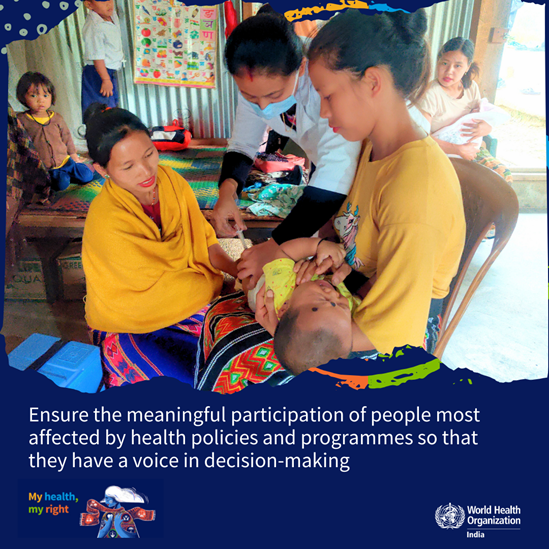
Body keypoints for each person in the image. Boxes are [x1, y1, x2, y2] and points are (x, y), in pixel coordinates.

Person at [254, 8, 466, 362]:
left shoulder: (415, 188)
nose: (323, 113)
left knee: (250, 357)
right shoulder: (371, 147)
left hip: (391, 340)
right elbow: (348, 235)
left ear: (372, 83)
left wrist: (286, 332)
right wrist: (325, 259)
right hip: (352, 292)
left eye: (328, 96)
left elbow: (397, 330)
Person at [82, 104, 238, 387]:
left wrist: (238, 269)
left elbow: (204, 242)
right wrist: (211, 290)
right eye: (128, 166)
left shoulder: (172, 183)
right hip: (131, 325)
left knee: (241, 353)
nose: (146, 171)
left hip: (194, 305)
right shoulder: (107, 219)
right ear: (102, 170)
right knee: (198, 383)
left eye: (149, 154)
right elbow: (145, 299)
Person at [212, 8, 362, 287]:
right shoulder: (253, 78)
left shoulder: (328, 85)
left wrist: (275, 246)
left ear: (301, 68)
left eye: (273, 95)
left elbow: (335, 172)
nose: (262, 106)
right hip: (324, 165)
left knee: (349, 257)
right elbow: (243, 143)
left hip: (355, 166)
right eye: (250, 97)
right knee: (320, 251)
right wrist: (227, 192)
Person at [242, 237, 359, 373]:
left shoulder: (281, 285)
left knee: (248, 281)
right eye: (342, 305)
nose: (333, 293)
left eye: (321, 299)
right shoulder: (348, 306)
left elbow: (284, 252)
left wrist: (317, 246)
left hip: (263, 292)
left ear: (285, 307)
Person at [417, 37, 513, 185]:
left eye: (458, 66)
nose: (449, 71)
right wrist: (458, 150)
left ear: (467, 67)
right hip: (441, 153)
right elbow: (421, 137)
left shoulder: (471, 88)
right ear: (438, 62)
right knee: (465, 185)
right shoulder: (430, 93)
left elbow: (480, 117)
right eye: (444, 63)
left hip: (470, 149)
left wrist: (486, 127)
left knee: (502, 176)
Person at [15, 72, 94, 191]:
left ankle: (68, 174)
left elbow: (67, 138)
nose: (41, 100)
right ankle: (58, 179)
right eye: (33, 96)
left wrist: (74, 156)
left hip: (66, 161)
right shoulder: (22, 120)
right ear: (23, 97)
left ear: (52, 96)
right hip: (46, 168)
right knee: (61, 183)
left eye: (45, 95)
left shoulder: (56, 118)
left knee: (87, 175)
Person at [81, 0, 124, 119]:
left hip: (108, 72)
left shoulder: (110, 15)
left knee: (112, 106)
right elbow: (97, 57)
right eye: (102, 1)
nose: (108, 3)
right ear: (89, 5)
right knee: (100, 111)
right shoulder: (94, 27)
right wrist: (105, 79)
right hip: (98, 73)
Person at [80, 486, 155, 538]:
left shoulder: (125, 515)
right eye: (105, 498)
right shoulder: (106, 515)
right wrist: (107, 526)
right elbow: (99, 537)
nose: (106, 501)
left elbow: (134, 537)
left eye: (108, 499)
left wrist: (118, 526)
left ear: (116, 499)